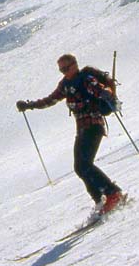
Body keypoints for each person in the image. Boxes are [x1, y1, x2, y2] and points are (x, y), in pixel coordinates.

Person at [16, 53, 126, 214]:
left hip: (94, 126)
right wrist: (29, 105)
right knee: (80, 167)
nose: (64, 72)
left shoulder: (85, 79)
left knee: (84, 165)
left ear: (74, 64)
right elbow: (50, 100)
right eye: (61, 70)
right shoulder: (66, 85)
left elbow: (100, 88)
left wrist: (107, 92)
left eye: (66, 68)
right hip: (82, 128)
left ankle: (112, 193)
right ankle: (100, 199)